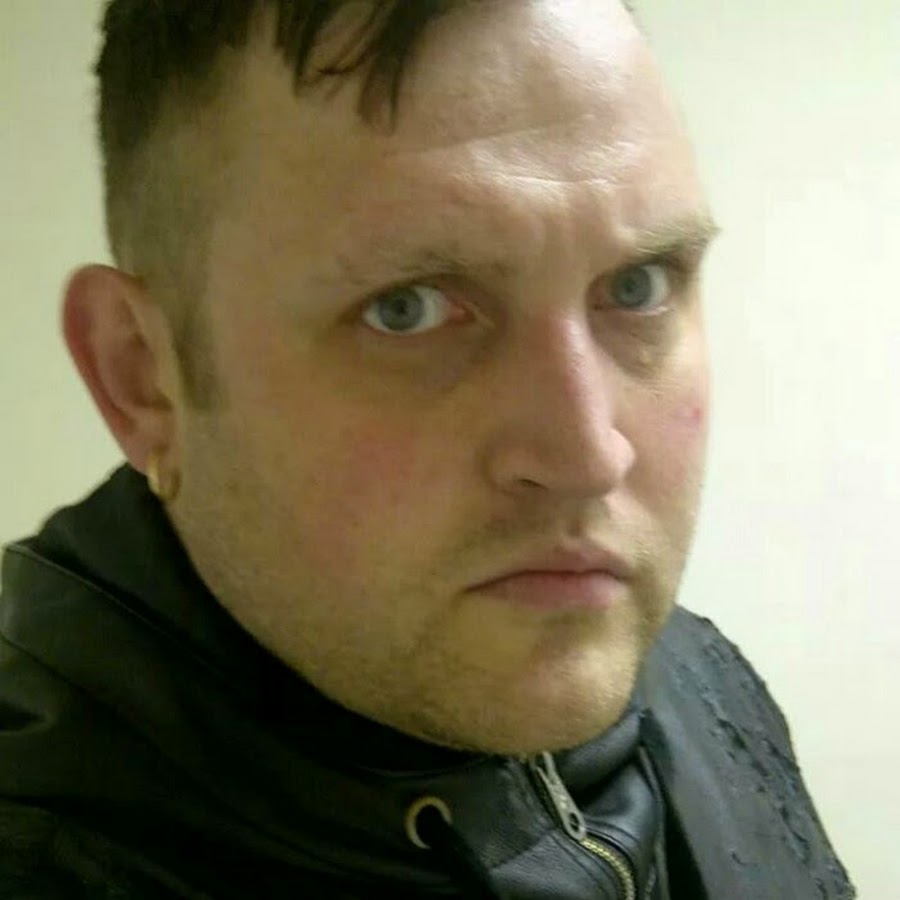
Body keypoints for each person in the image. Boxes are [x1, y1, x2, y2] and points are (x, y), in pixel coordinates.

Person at [0, 1, 855, 897]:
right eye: (406, 309)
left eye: (637, 286)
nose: (588, 458)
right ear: (142, 375)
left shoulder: (699, 676)